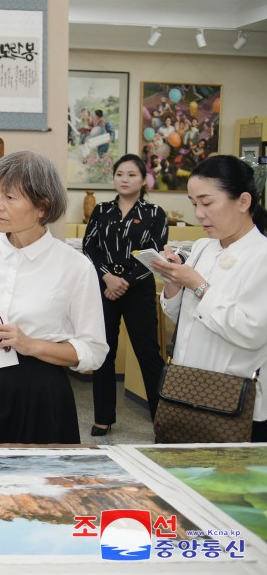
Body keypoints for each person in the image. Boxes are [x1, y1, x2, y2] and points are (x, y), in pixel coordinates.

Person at [0, 151, 108, 444]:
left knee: (36, 487)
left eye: (10, 198)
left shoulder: (75, 266)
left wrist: (31, 345)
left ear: (43, 206)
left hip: (40, 396)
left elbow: (93, 351)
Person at [151, 155, 267, 442]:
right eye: (193, 204)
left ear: (243, 201)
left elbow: (251, 331)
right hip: (186, 391)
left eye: (207, 202)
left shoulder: (262, 256)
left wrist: (198, 285)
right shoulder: (203, 247)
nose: (199, 214)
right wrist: (174, 283)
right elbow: (183, 319)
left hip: (234, 401)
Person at [83, 154, 169, 435]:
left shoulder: (155, 213)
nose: (124, 179)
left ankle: (162, 420)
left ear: (143, 180)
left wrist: (124, 281)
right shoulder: (102, 210)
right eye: (120, 174)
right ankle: (103, 417)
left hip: (138, 290)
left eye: (132, 174)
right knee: (104, 351)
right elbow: (90, 248)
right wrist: (108, 277)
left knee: (148, 354)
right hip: (104, 288)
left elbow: (154, 255)